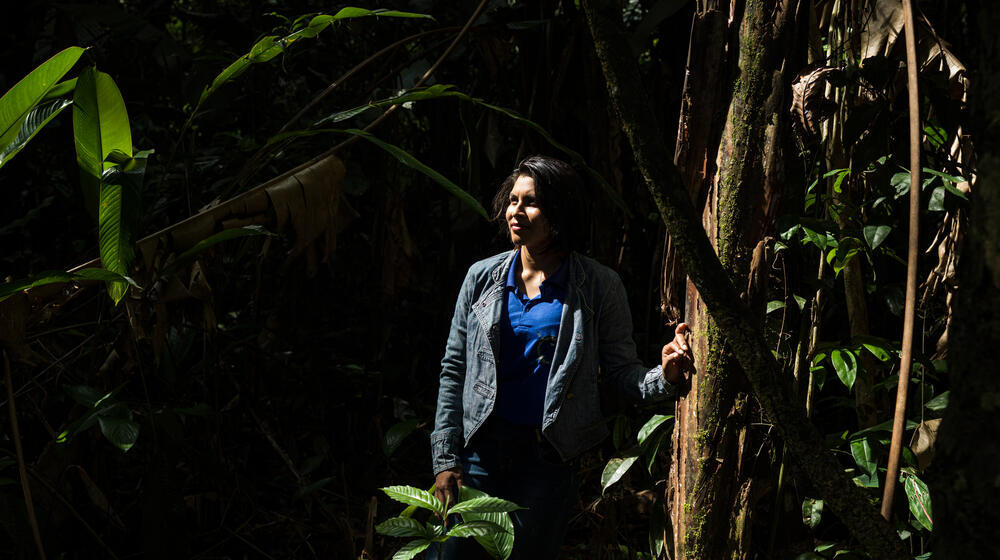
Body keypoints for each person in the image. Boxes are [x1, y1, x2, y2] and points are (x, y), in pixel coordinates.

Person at [429, 155, 692, 559]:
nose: (516, 211)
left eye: (530, 202)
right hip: (480, 452)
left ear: (560, 214)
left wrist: (666, 376)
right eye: (513, 200)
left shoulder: (599, 286)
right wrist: (445, 460)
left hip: (547, 458)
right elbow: (454, 371)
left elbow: (622, 374)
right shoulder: (481, 278)